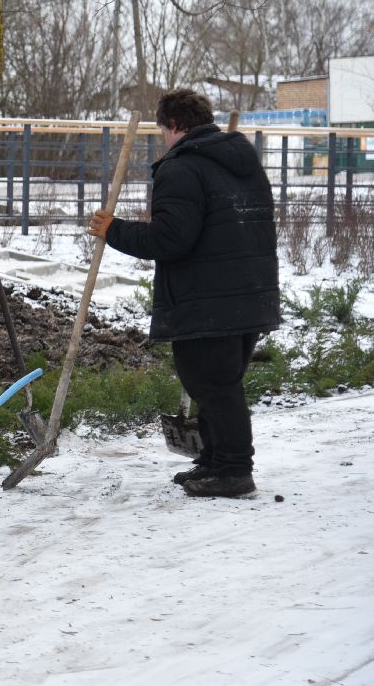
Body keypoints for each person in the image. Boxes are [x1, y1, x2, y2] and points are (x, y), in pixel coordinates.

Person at [86, 88, 279, 499]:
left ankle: (233, 470)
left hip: (208, 298)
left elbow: (172, 239)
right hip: (249, 290)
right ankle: (214, 459)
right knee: (216, 381)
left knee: (213, 384)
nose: (163, 138)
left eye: (162, 131)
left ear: (173, 126)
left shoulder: (183, 168)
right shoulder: (243, 163)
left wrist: (114, 229)